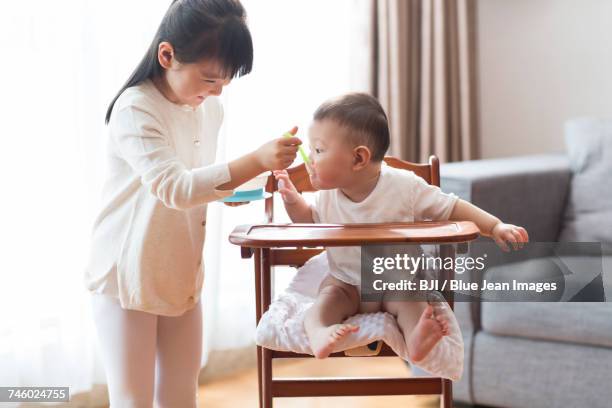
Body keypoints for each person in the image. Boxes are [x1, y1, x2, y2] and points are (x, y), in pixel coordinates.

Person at [84, 1, 302, 406]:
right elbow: (176, 188)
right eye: (209, 78)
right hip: (126, 275)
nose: (217, 90)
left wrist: (263, 178)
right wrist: (255, 158)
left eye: (225, 82)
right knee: (133, 400)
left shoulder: (209, 108)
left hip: (180, 268)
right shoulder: (136, 107)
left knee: (182, 396)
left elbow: (200, 180)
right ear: (167, 55)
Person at [273, 92, 529, 360]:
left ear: (359, 159)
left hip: (395, 282)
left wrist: (495, 226)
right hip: (345, 283)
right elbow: (309, 222)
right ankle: (319, 333)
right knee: (323, 303)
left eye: (319, 150)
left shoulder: (405, 187)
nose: (309, 159)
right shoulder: (326, 196)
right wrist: (293, 201)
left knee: (412, 302)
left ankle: (417, 340)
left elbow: (453, 208)